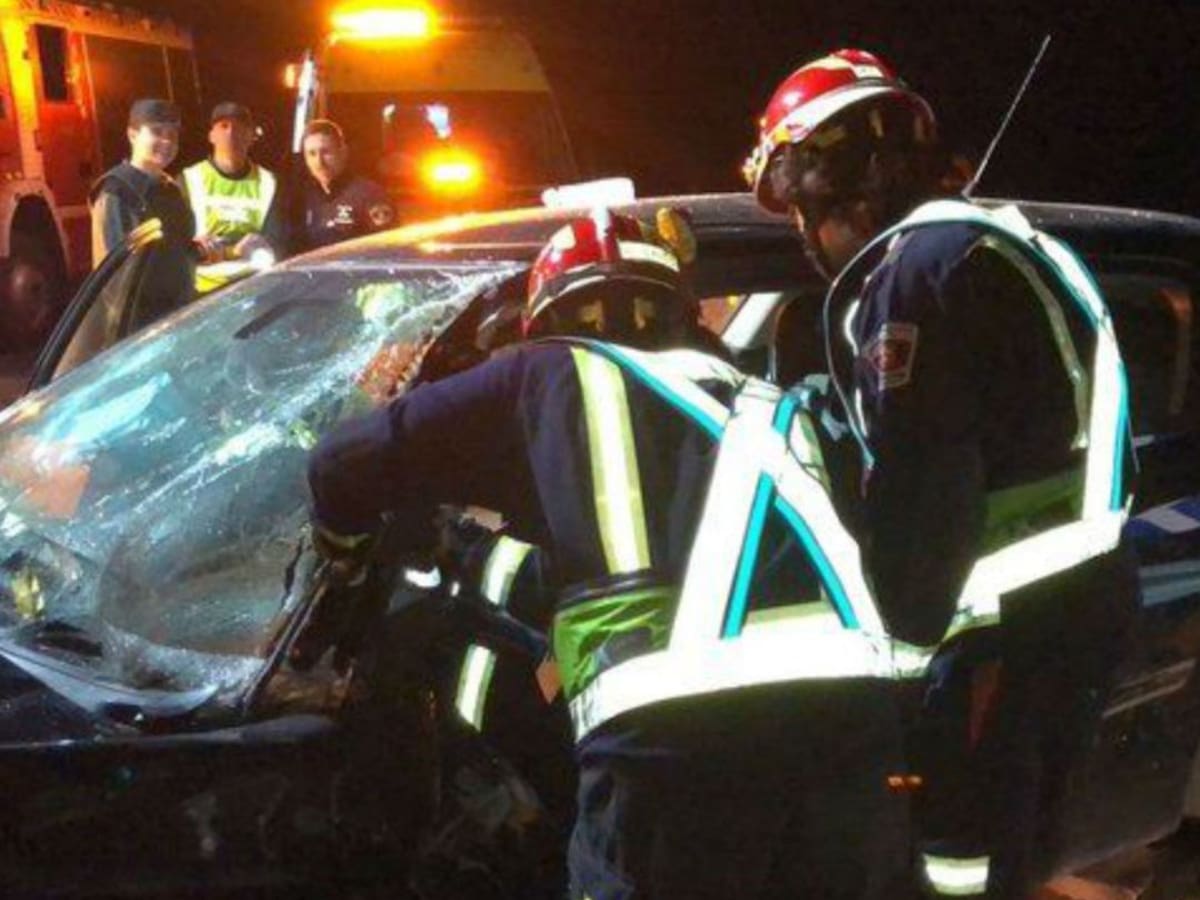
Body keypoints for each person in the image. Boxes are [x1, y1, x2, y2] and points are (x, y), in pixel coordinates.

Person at [307, 206, 917, 900]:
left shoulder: (545, 372)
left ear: (546, 321)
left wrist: (345, 562)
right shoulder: (777, 406)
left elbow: (338, 465)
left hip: (672, 740)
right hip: (854, 721)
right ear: (682, 313)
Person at [743, 48, 1139, 898]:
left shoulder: (913, 278)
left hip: (995, 633)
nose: (805, 236)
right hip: (1077, 607)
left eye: (801, 208)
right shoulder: (1006, 245)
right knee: (1013, 840)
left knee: (958, 855)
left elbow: (925, 479)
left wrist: (899, 651)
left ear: (830, 182)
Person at [88, 98, 197, 326]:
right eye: (156, 132)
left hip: (179, 318)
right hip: (140, 326)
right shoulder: (117, 191)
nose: (167, 141)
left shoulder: (171, 189)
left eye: (173, 134)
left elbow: (177, 251)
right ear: (133, 135)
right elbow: (114, 278)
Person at [181, 102, 286, 293]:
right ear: (211, 136)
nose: (231, 133)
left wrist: (263, 245)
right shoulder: (189, 179)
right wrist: (229, 251)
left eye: (240, 128)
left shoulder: (269, 182)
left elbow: (278, 240)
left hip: (253, 288)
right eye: (224, 126)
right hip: (201, 293)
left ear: (251, 136)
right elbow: (176, 245)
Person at [295, 119, 395, 253]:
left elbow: (386, 249)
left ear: (343, 152)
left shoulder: (370, 195)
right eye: (312, 154)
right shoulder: (300, 197)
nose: (319, 162)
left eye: (326, 152)